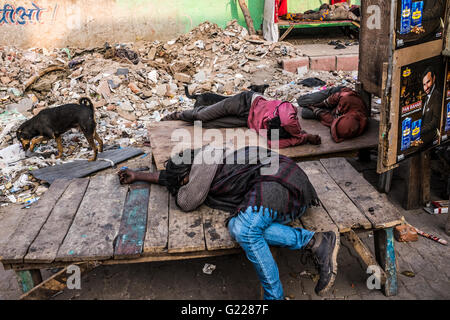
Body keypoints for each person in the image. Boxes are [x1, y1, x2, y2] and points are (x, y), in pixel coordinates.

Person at [118, 145, 340, 300]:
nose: (182, 183)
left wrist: (180, 184)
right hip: (285, 189)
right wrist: (138, 175)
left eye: (183, 180)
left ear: (188, 175)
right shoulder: (208, 158)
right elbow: (172, 177)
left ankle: (275, 298)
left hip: (280, 181)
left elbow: (186, 201)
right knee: (235, 227)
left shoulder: (202, 171)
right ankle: (315, 241)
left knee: (245, 229)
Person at [161, 90, 321, 148]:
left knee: (209, 124)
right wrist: (300, 135)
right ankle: (176, 115)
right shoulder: (288, 110)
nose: (269, 125)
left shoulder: (278, 134)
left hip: (247, 121)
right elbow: (287, 122)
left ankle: (185, 116)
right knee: (201, 115)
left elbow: (273, 143)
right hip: (245, 102)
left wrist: (302, 139)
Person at [299, 87, 369, 143]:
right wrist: (318, 105)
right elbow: (333, 99)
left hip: (335, 110)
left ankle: (315, 106)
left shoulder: (350, 126)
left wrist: (313, 108)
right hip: (336, 96)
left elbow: (329, 119)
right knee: (302, 101)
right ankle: (323, 96)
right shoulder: (348, 98)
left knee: (305, 112)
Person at [419, 66, 442, 148]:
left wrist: (420, 131)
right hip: (422, 139)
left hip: (429, 140)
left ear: (434, 78)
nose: (426, 87)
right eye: (424, 84)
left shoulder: (436, 95)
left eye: (428, 82)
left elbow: (435, 121)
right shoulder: (426, 97)